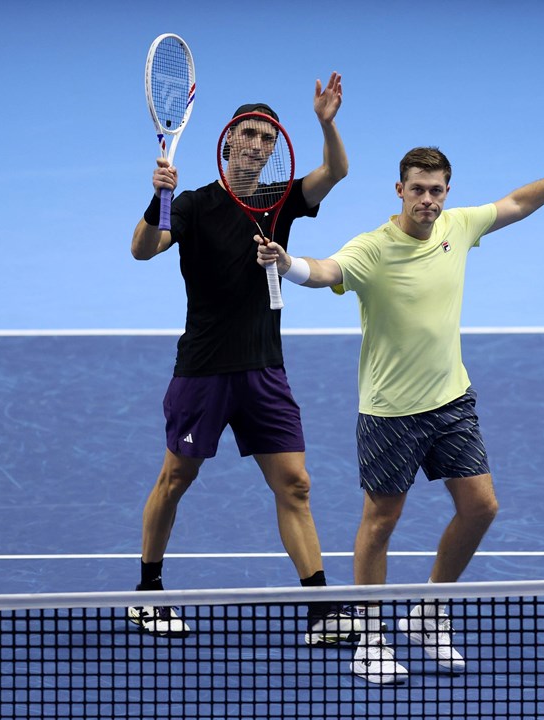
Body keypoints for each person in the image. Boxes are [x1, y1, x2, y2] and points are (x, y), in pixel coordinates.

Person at [254, 117, 544, 682]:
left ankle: (429, 611)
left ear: (448, 192)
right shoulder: (372, 249)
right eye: (417, 189)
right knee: (381, 521)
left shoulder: (459, 227)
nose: (427, 199)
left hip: (451, 402)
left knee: (481, 507)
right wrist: (287, 265)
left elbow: (519, 202)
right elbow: (326, 271)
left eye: (436, 190)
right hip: (390, 412)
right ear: (399, 190)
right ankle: (371, 637)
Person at [127, 72, 357, 646]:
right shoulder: (195, 205)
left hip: (263, 368)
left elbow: (337, 173)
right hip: (203, 367)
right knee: (175, 477)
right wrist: (157, 197)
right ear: (229, 142)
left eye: (266, 138)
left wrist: (327, 124)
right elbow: (142, 250)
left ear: (273, 149)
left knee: (295, 485)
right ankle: (147, 592)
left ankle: (321, 608)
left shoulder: (280, 205)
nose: (257, 144)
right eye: (248, 135)